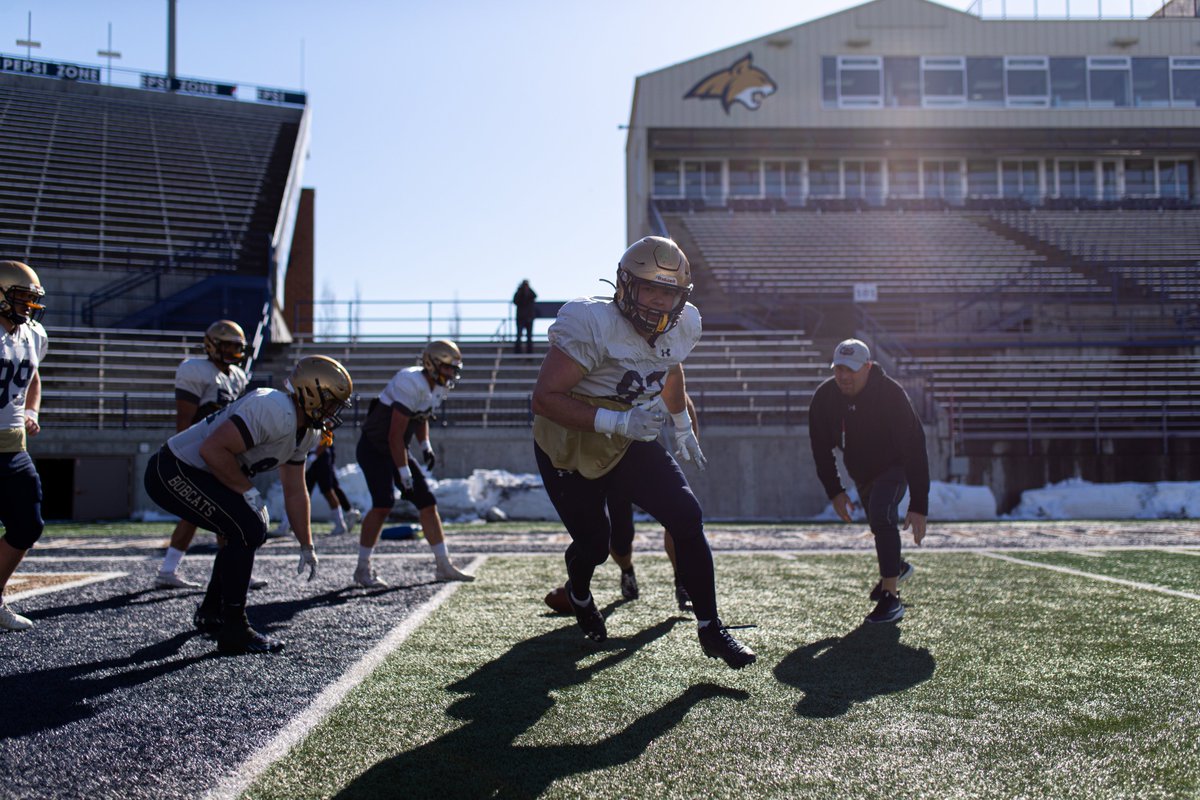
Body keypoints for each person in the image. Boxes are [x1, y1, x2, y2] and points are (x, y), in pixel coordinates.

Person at [531, 235, 755, 669]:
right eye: (649, 288)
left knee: (686, 516)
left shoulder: (682, 324)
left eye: (668, 291)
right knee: (595, 544)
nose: (658, 301)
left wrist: (682, 424)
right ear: (624, 285)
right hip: (568, 440)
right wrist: (616, 421)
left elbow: (670, 368)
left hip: (629, 438)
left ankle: (710, 627)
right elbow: (545, 397)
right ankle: (579, 592)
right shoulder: (591, 321)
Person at [143, 355, 353, 654]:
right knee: (249, 526)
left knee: (246, 527)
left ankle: (213, 612)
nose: (333, 411)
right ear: (311, 393)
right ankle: (233, 626)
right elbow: (212, 450)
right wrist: (249, 493)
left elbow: (295, 489)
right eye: (331, 402)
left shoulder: (307, 430)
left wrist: (307, 544)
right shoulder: (274, 407)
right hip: (172, 470)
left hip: (199, 471)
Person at [808, 338, 928, 624]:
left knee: (881, 515)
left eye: (850, 369)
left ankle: (891, 596)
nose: (843, 376)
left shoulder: (891, 395)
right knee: (878, 524)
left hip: (894, 466)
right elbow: (820, 449)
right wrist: (835, 491)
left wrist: (919, 504)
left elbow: (915, 447)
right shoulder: (825, 397)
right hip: (861, 472)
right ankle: (895, 567)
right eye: (838, 369)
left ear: (868, 367)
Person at [353, 339, 474, 587]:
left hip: (396, 447)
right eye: (448, 367)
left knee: (427, 502)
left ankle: (443, 565)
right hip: (375, 448)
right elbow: (394, 435)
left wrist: (425, 445)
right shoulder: (410, 381)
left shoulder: (435, 386)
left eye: (454, 368)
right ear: (432, 364)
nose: (451, 373)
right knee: (383, 504)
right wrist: (403, 471)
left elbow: (421, 417)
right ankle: (362, 569)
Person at [154, 320, 255, 589]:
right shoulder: (195, 370)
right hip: (201, 451)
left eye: (237, 347)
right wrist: (185, 457)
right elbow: (184, 418)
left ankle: (176, 569)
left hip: (224, 451)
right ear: (211, 345)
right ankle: (230, 569)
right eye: (228, 345)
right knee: (218, 512)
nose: (234, 352)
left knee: (217, 513)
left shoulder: (237, 375)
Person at [0, 261, 48, 632]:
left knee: (27, 524)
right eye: (21, 297)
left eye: (32, 300)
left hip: (13, 445)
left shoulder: (32, 334)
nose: (28, 306)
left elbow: (32, 376)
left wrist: (31, 409)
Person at [273, 439, 362, 537]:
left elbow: (327, 434)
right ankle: (286, 525)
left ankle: (340, 523)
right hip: (305, 454)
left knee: (327, 490)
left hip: (320, 456)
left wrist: (314, 456)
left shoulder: (323, 426)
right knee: (300, 492)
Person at [512, 279, 537, 354]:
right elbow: (515, 301)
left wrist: (529, 290)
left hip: (529, 318)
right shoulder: (519, 293)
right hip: (521, 318)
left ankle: (529, 355)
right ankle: (517, 353)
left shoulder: (530, 294)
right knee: (519, 337)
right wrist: (520, 291)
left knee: (529, 338)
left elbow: (535, 296)